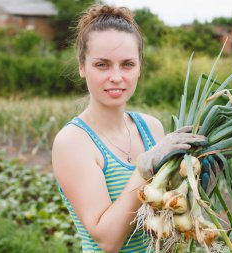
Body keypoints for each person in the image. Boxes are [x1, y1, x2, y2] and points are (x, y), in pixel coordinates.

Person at [51, 4, 218, 253]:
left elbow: (166, 218)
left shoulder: (151, 127)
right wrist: (143, 169)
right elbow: (107, 240)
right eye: (102, 65)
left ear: (139, 67)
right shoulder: (73, 142)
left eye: (127, 64)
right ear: (82, 67)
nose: (116, 76)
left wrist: (198, 187)